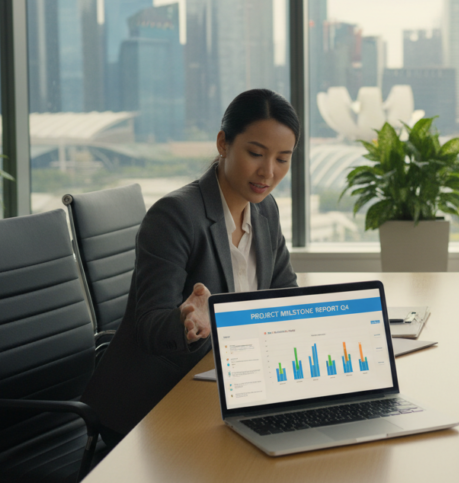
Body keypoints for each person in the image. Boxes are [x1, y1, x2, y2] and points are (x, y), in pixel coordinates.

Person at [82, 89, 301, 446]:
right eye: (256, 153)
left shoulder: (265, 210)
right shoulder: (175, 216)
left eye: (283, 159)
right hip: (154, 407)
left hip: (227, 387)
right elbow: (150, 326)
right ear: (223, 143)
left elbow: (284, 292)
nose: (269, 171)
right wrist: (187, 322)